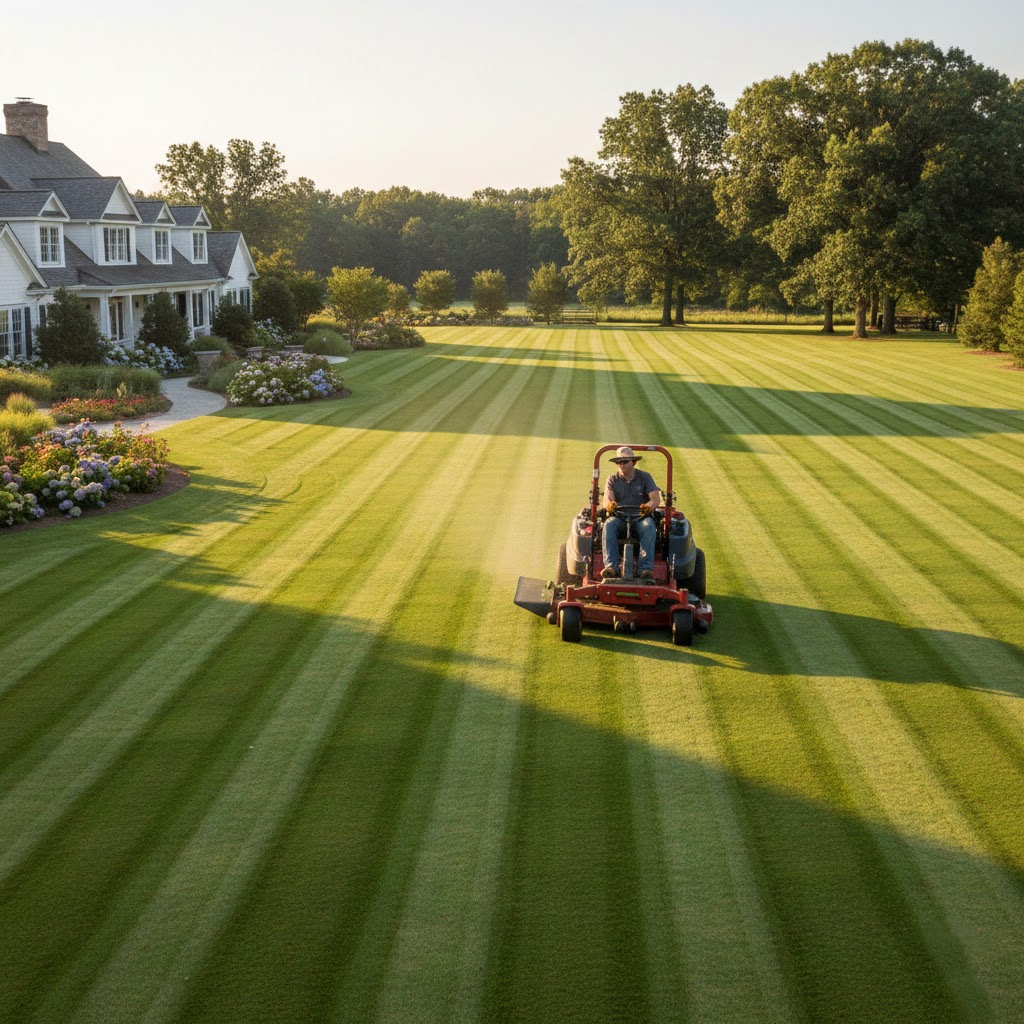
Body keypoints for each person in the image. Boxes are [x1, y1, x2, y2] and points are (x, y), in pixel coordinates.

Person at [601, 446, 661, 579]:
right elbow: (607, 500)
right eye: (619, 462)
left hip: (640, 518)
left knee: (649, 526)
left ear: (633, 462)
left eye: (624, 461)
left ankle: (645, 569)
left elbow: (655, 499)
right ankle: (611, 567)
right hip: (619, 518)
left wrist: (647, 507)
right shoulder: (612, 479)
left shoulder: (645, 477)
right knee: (609, 524)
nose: (621, 465)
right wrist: (610, 505)